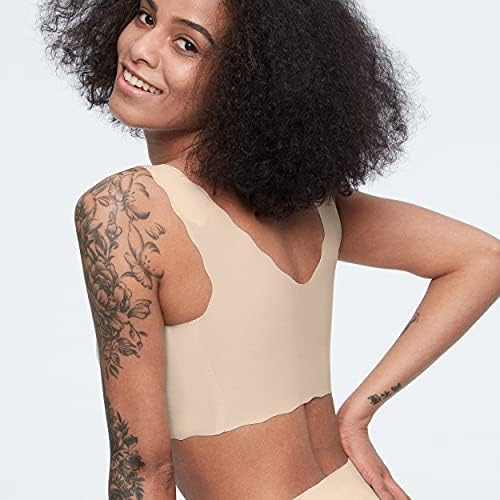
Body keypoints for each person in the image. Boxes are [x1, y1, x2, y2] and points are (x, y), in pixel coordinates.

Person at [38, 0, 500, 498]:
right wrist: (357, 413)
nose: (142, 50)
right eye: (147, 16)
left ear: (246, 80)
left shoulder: (126, 208)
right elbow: (482, 258)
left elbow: (144, 470)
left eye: (187, 45)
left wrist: (359, 412)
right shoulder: (312, 204)